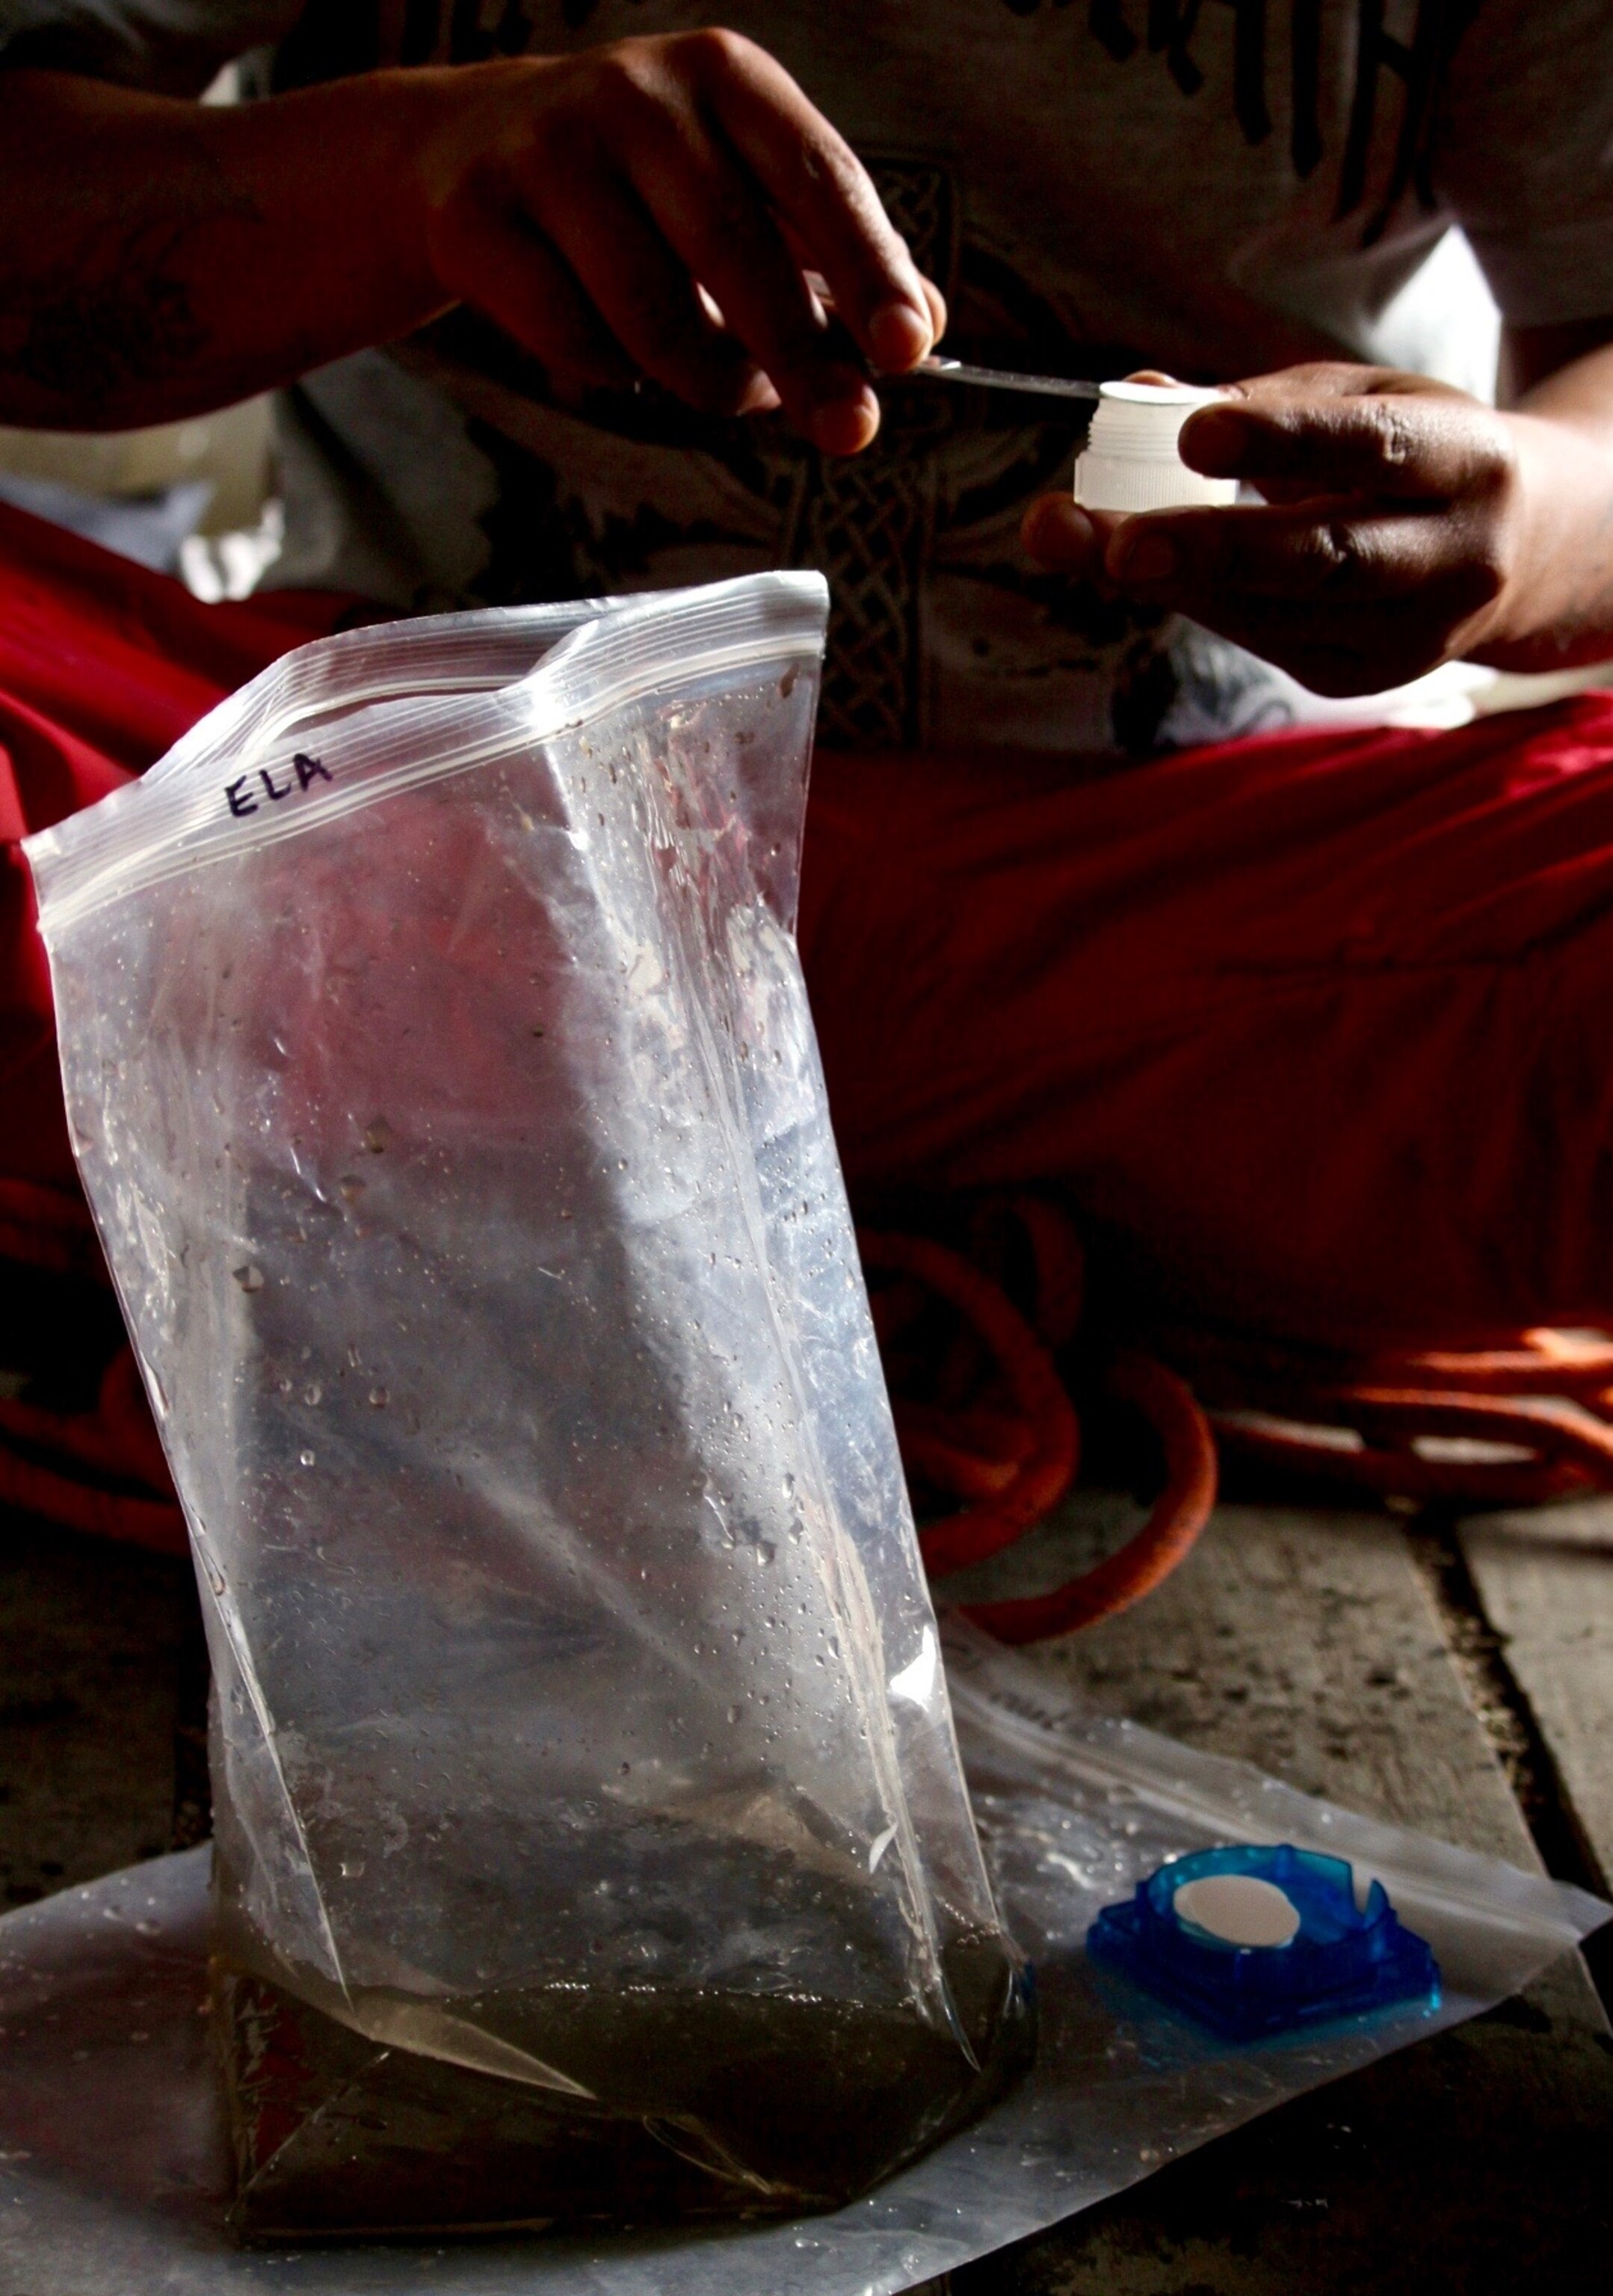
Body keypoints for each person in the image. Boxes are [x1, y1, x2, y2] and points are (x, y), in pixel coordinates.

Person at [7, 0, 1613, 1499]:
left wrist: (1526, 522)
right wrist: (408, 172)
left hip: (1230, 923)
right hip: (398, 830)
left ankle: (431, 1180)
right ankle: (988, 1234)